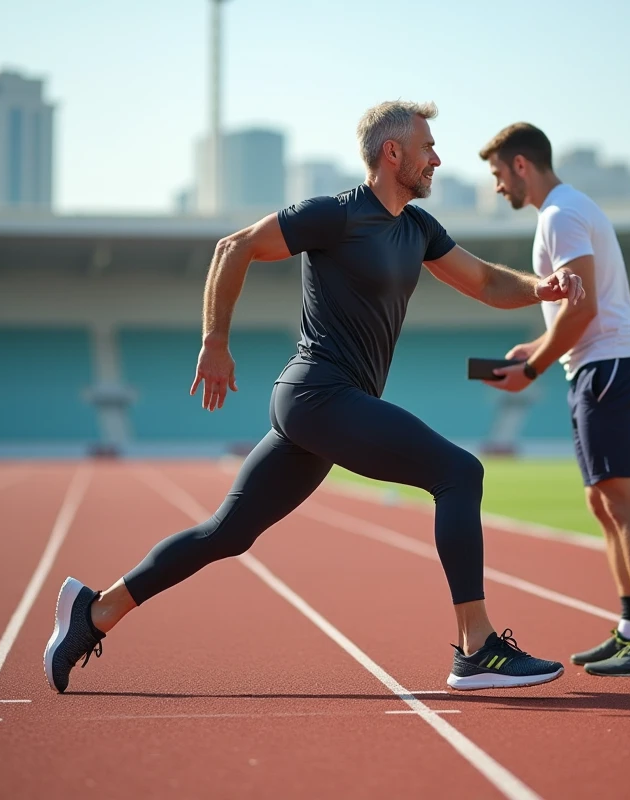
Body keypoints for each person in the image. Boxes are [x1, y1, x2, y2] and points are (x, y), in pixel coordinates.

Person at [44, 102, 586, 693]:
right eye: (428, 146)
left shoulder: (418, 230)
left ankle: (94, 611)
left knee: (227, 534)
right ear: (392, 153)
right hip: (317, 394)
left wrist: (543, 287)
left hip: (326, 407)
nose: (437, 157)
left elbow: (484, 281)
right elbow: (235, 247)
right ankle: (476, 647)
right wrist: (215, 342)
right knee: (459, 472)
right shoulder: (337, 215)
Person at [478, 123, 630, 677]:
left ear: (521, 165)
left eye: (498, 174)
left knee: (624, 502)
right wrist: (539, 347)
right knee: (604, 503)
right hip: (597, 368)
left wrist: (534, 368)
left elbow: (584, 306)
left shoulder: (560, 214)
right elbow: (574, 309)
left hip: (609, 368)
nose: (498, 187)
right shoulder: (565, 211)